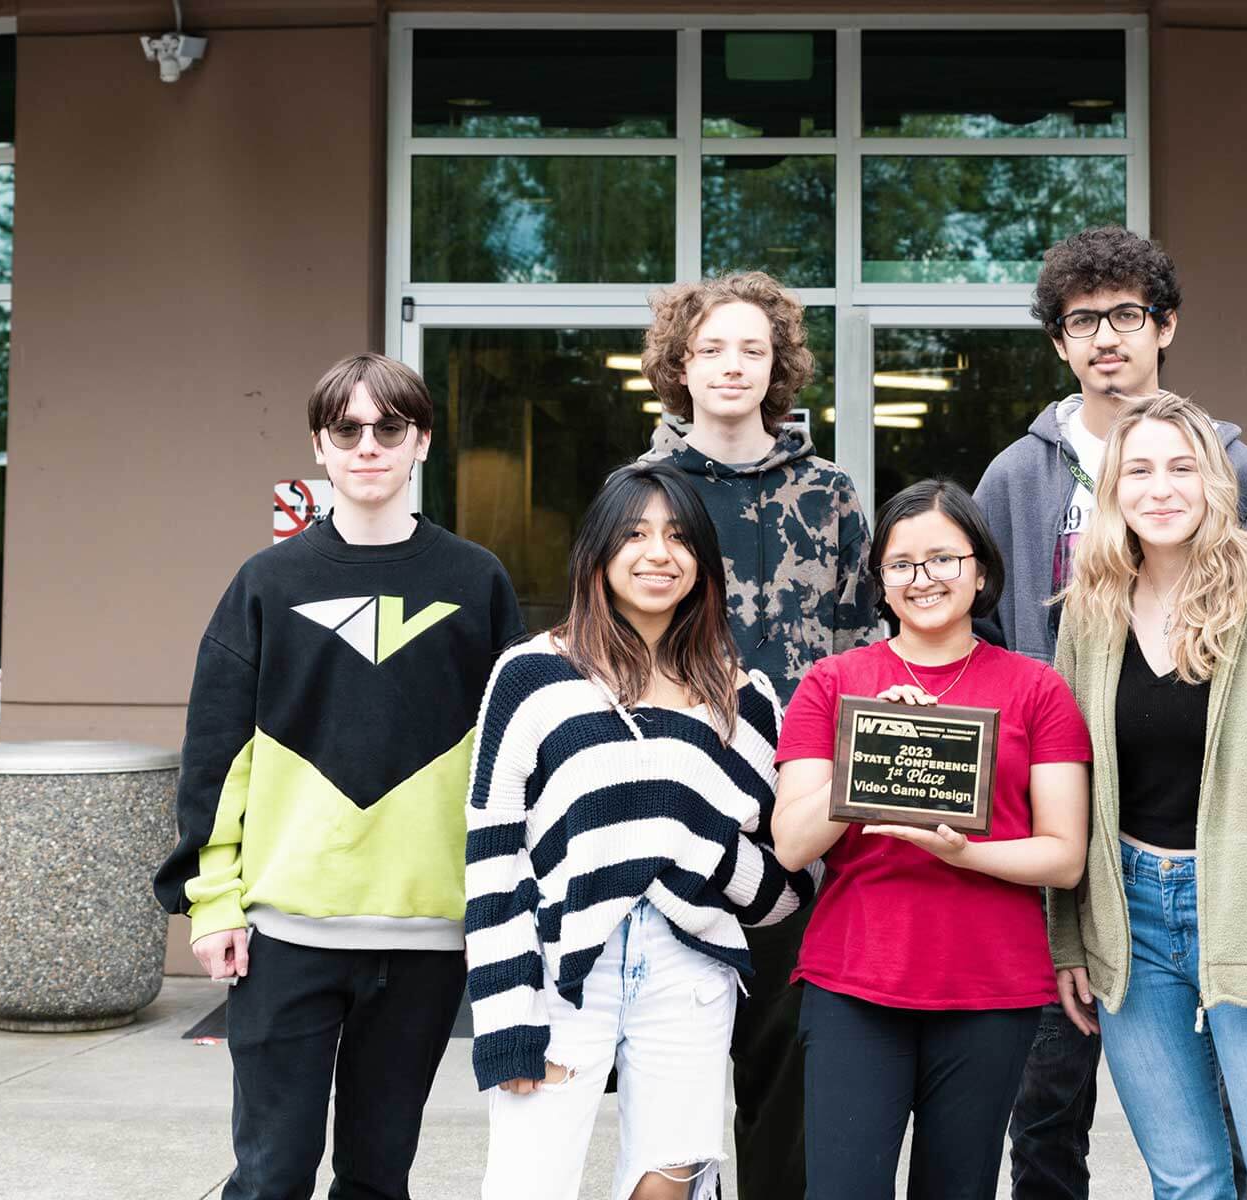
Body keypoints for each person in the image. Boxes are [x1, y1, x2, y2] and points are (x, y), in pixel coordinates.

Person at [973, 225, 1247, 1199]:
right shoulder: (1014, 477)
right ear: (1059, 343)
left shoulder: (1232, 471)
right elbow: (979, 634)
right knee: (1046, 1093)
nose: (1105, 337)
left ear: (1165, 326)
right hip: (1057, 832)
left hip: (1202, 839)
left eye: (1126, 314)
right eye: (1083, 321)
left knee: (1239, 1102)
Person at [154, 353, 526, 1199]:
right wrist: (213, 905)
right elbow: (217, 754)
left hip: (428, 936)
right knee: (271, 1175)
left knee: (378, 1176)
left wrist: (505, 909)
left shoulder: (476, 580)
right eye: (346, 429)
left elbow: (512, 757)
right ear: (319, 446)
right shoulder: (267, 582)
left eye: (389, 427)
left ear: (421, 441)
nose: (368, 445)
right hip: (286, 932)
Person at [465, 460, 820, 1200]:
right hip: (562, 967)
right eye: (635, 534)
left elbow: (790, 883)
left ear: (703, 563)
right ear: (598, 551)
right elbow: (495, 854)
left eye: (679, 537)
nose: (659, 553)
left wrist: (697, 848)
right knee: (528, 1183)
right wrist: (505, 1017)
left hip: (688, 968)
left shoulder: (744, 700)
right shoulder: (532, 676)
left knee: (669, 1183)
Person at [1051, 393, 1247, 1199]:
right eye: (1140, 470)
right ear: (1114, 489)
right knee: (1188, 1182)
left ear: (1215, 483)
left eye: (1182, 468)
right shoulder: (1091, 612)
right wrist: (1068, 938)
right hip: (1132, 921)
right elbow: (1062, 783)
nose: (1161, 489)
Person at [771, 478, 1092, 1200]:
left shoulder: (1038, 690)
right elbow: (792, 843)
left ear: (980, 571)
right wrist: (870, 745)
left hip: (991, 988)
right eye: (902, 564)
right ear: (880, 583)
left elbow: (1065, 856)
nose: (923, 579)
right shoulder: (833, 684)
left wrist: (963, 852)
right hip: (856, 981)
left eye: (944, 559)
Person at [640, 270, 880, 1199]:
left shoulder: (830, 495)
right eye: (711, 349)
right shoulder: (639, 494)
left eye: (753, 348)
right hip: (675, 823)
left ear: (778, 365)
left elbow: (867, 648)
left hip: (799, 828)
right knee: (674, 1097)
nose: (732, 366)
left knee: (788, 1093)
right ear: (680, 365)